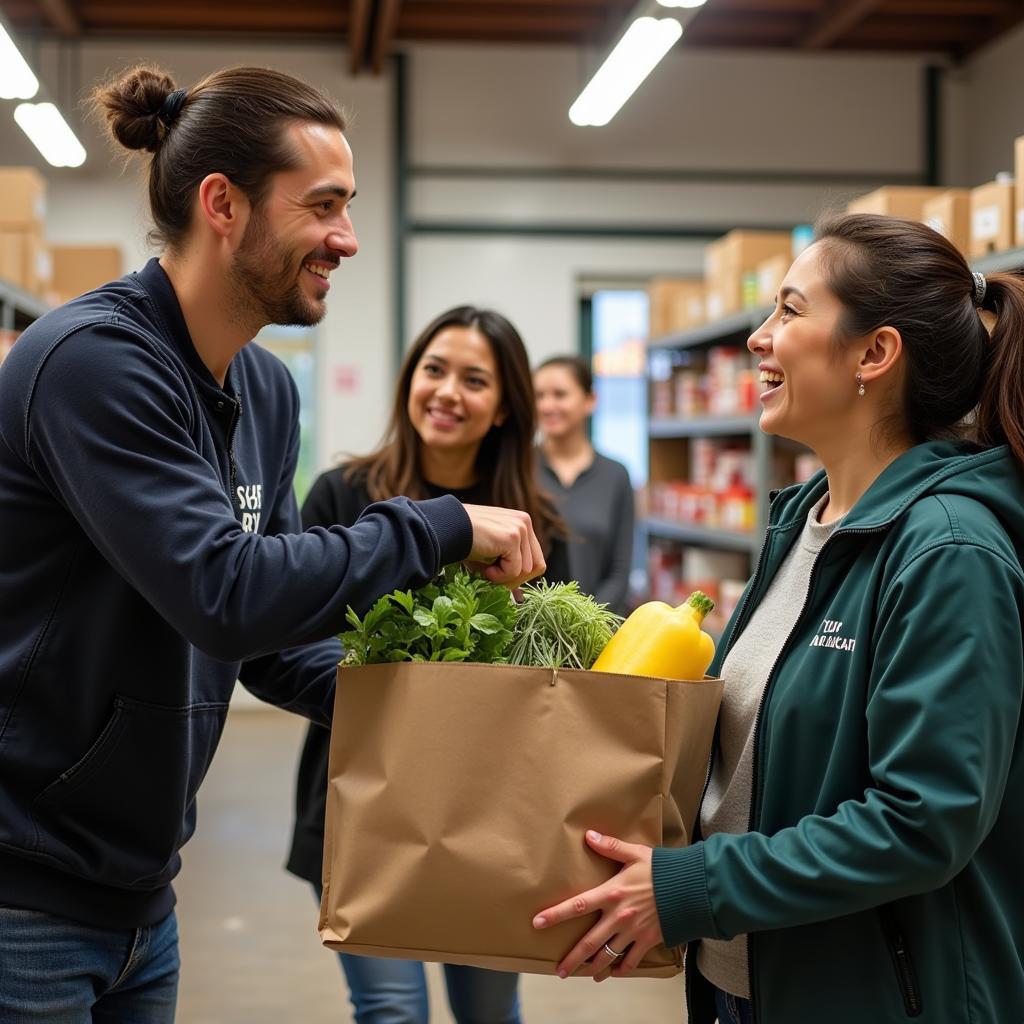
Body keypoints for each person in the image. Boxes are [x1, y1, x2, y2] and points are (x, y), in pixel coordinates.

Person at [0, 65, 545, 1022]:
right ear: (223, 203)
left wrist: (454, 719)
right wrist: (441, 524)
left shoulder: (264, 390)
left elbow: (271, 638)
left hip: (140, 890)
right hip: (24, 888)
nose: (348, 237)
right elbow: (225, 590)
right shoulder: (92, 363)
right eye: (324, 206)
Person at [532, 213, 1024, 1023]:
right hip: (746, 978)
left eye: (790, 312)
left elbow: (924, 820)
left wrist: (692, 886)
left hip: (873, 993)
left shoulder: (947, 551)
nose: (760, 339)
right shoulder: (803, 527)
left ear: (874, 354)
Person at [287, 304, 569, 1024]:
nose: (446, 392)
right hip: (366, 798)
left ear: (505, 407)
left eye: (475, 380)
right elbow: (295, 641)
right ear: (409, 379)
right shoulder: (344, 496)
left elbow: (562, 680)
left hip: (493, 812)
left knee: (488, 1013)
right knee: (392, 1015)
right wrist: (403, 700)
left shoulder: (537, 524)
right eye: (433, 369)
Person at [534, 355, 634, 614]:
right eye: (539, 396)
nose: (547, 405)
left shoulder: (615, 476)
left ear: (590, 401)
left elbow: (619, 572)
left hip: (596, 632)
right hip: (526, 636)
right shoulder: (516, 469)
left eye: (560, 394)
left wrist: (585, 622)